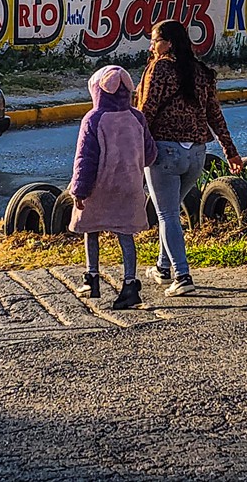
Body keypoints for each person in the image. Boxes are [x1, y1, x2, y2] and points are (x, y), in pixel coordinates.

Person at [134, 19, 244, 296]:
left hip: (165, 153)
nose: (151, 45)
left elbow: (146, 111)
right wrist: (230, 151)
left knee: (167, 213)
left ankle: (182, 276)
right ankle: (162, 267)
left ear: (168, 43)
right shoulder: (201, 72)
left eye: (155, 39)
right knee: (168, 212)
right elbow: (215, 116)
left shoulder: (159, 69)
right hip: (196, 154)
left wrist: (134, 150)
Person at [67, 64, 158, 310]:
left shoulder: (93, 119)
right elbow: (150, 154)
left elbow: (85, 159)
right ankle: (130, 284)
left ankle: (91, 277)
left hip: (100, 188)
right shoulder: (137, 117)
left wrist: (79, 191)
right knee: (125, 235)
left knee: (91, 229)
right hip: (129, 188)